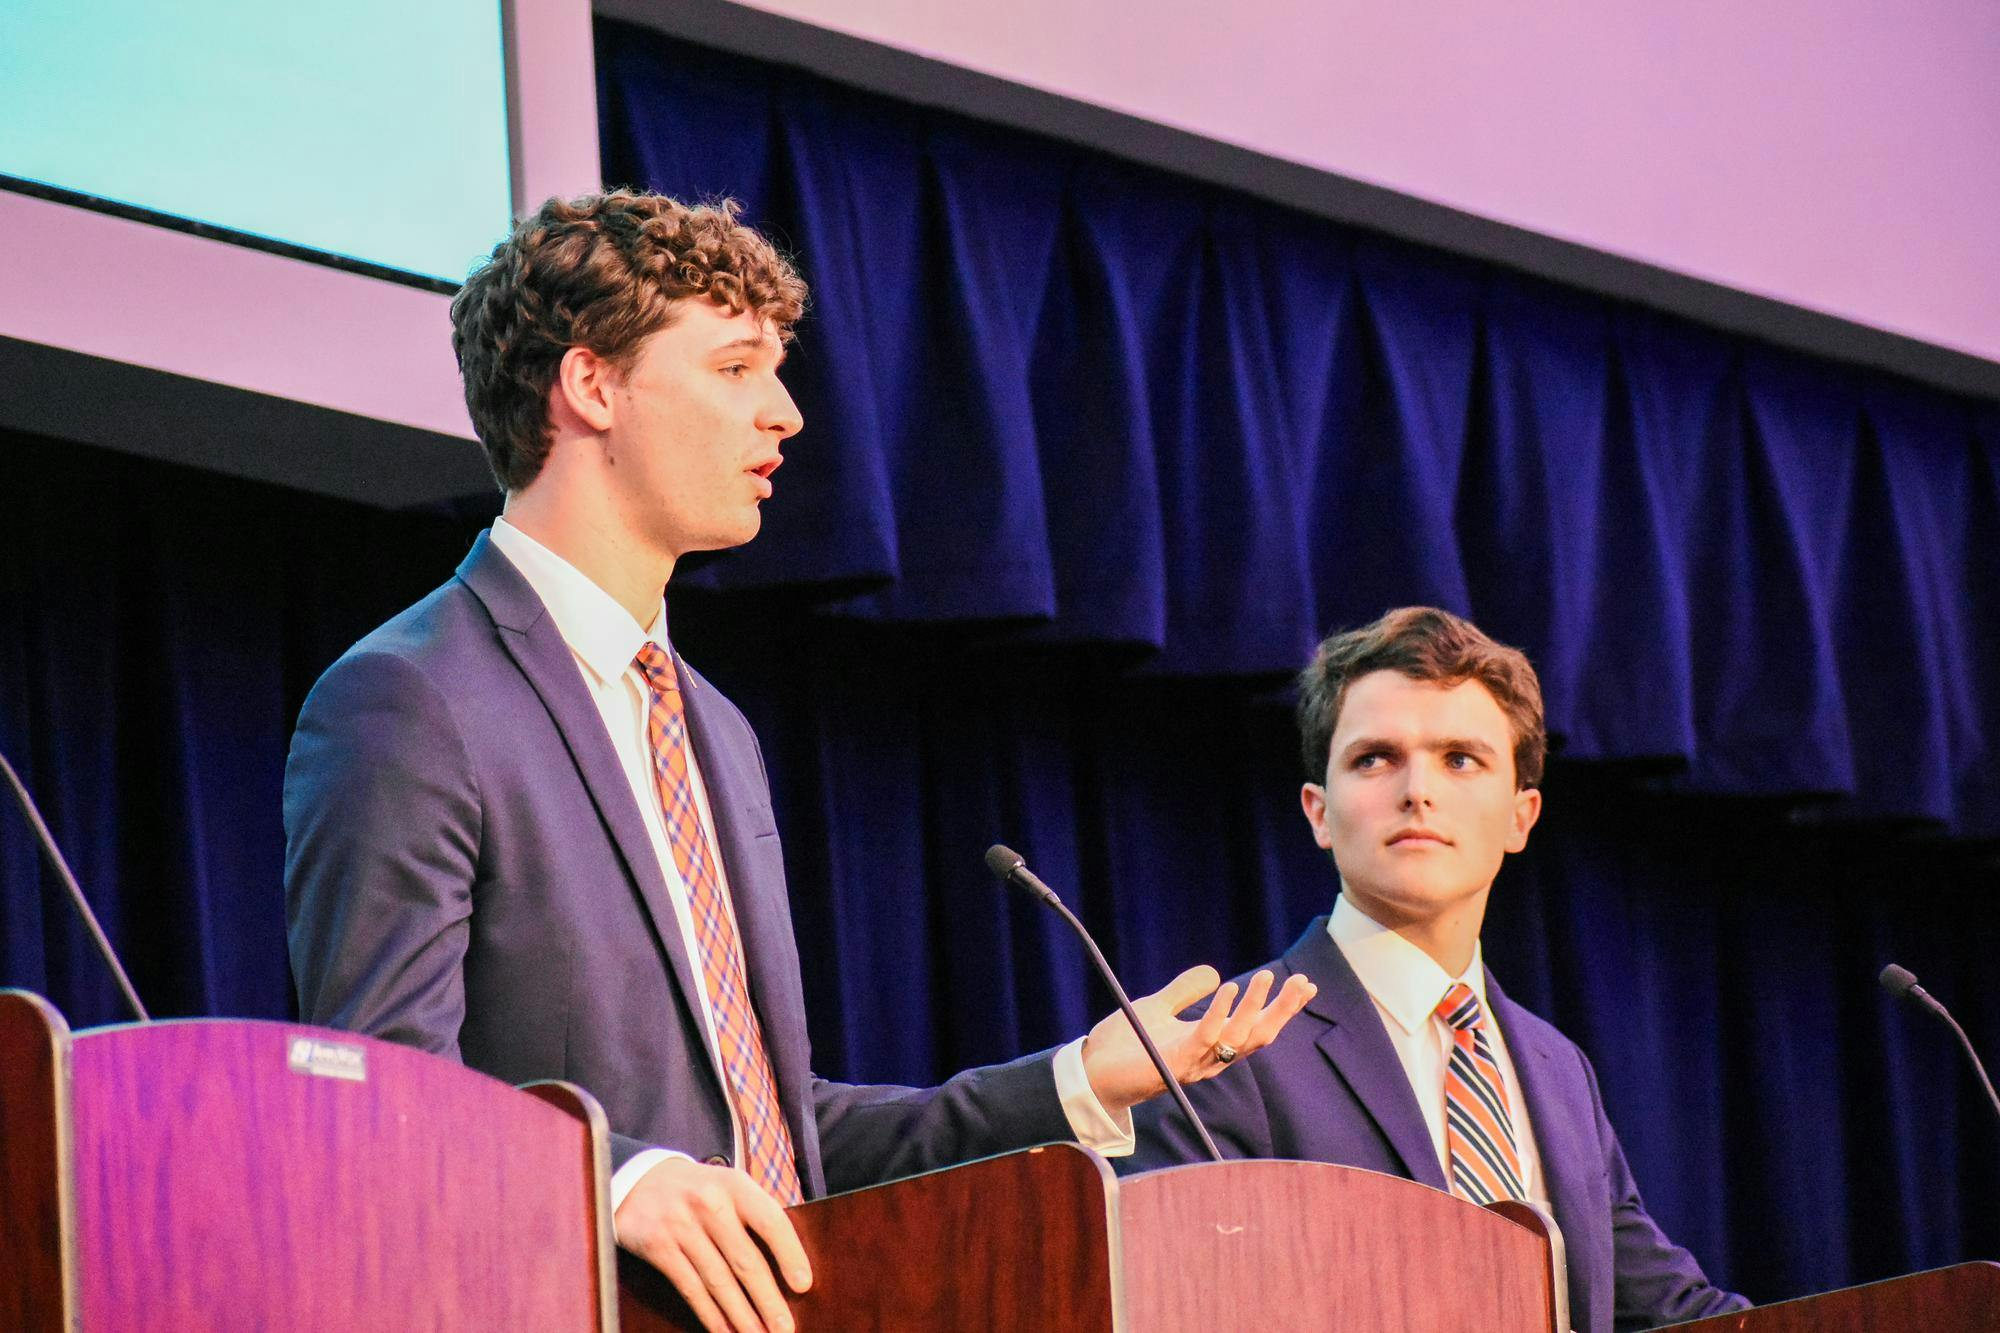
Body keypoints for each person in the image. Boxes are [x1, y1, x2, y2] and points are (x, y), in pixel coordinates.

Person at [283, 190, 1314, 1333]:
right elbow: (382, 1089)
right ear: (590, 387)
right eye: (733, 369)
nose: (784, 414)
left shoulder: (711, 728)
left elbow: (782, 1138)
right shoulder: (409, 698)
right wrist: (619, 1179)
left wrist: (1078, 1078)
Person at [1125, 606, 1747, 1333]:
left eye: (1460, 758)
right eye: (1375, 757)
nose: (1417, 789)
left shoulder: (1557, 1068)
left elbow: (1672, 1312)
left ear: (1523, 815)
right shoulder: (1220, 1047)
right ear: (1318, 812)